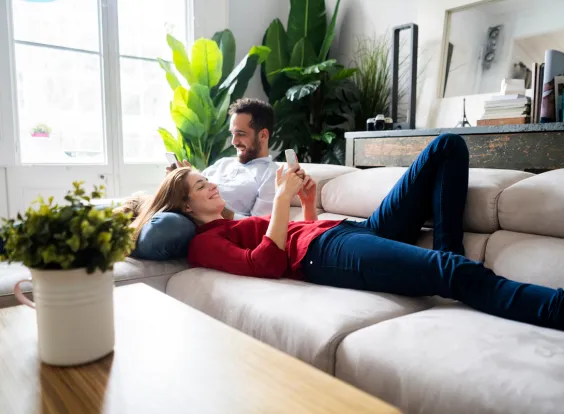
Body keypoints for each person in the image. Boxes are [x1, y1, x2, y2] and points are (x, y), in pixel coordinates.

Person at [130, 133, 564, 331]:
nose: (212, 184)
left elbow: (293, 235)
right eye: (202, 185)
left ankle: (447, 260)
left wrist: (305, 204)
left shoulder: (228, 222)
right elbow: (268, 262)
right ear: (185, 205)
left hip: (347, 231)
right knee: (455, 272)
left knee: (448, 146)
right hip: (328, 254)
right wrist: (282, 200)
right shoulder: (205, 243)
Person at [127, 98, 279, 261]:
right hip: (177, 207)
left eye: (241, 134)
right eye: (232, 134)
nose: (234, 142)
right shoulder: (222, 163)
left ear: (263, 135)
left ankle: (121, 242)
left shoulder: (272, 174)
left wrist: (224, 213)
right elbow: (192, 190)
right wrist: (179, 181)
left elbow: (262, 226)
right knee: (119, 205)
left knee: (168, 226)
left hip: (199, 224)